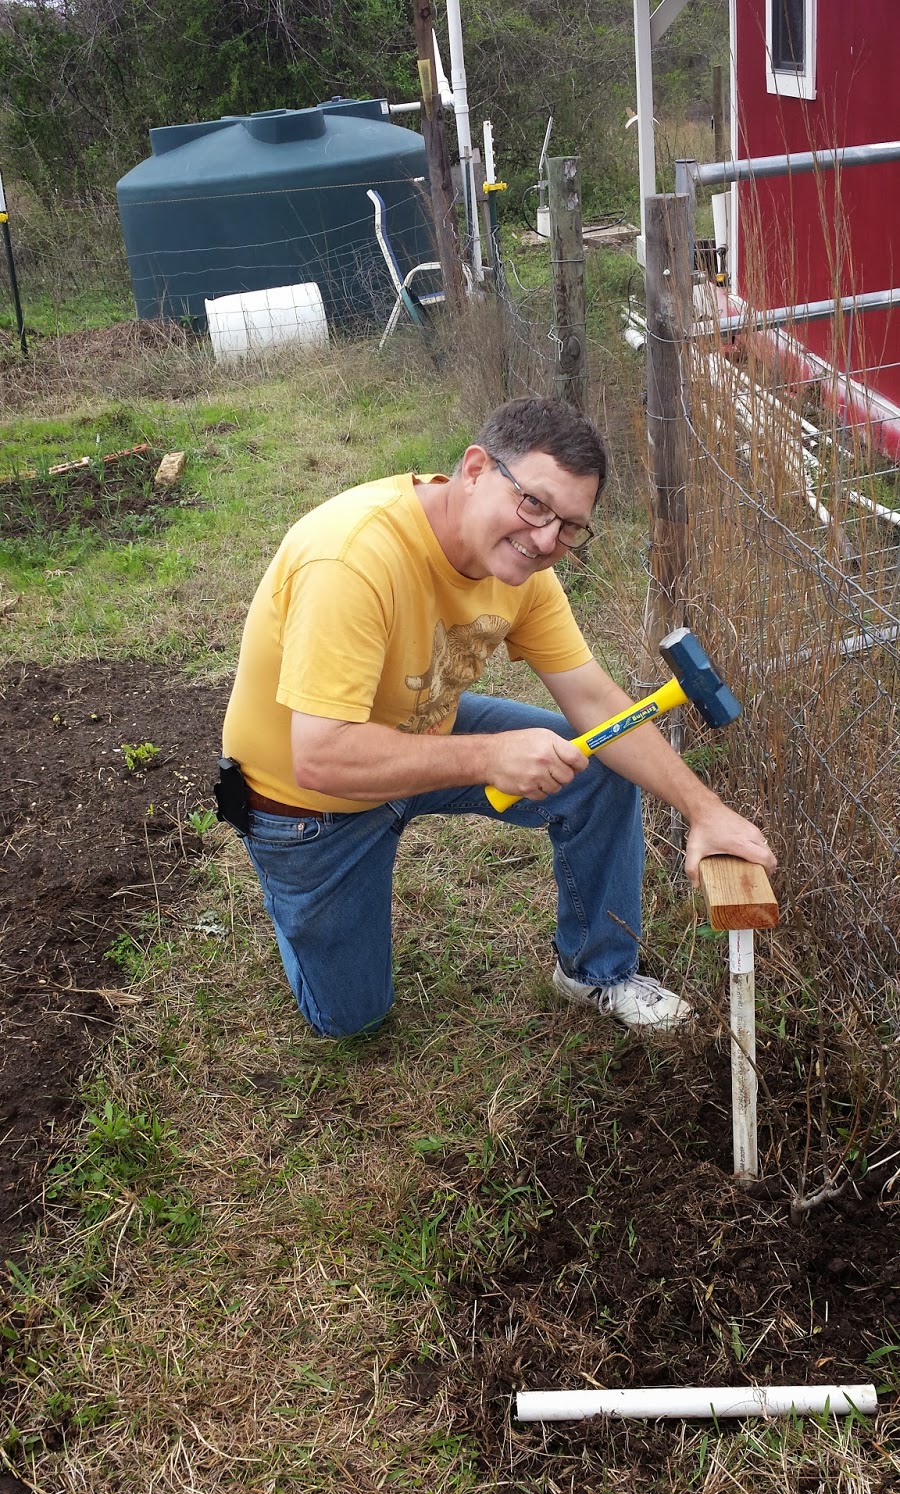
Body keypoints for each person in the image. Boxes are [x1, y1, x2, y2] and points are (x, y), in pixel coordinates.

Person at [220, 397, 776, 1038]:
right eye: (534, 503)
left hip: (419, 726)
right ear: (476, 468)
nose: (546, 540)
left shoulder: (526, 572)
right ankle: (295, 904)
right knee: (352, 1020)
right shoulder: (351, 559)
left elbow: (599, 704)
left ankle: (598, 970)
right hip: (307, 804)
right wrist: (489, 757)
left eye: (570, 526)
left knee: (594, 760)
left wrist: (703, 810)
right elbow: (319, 757)